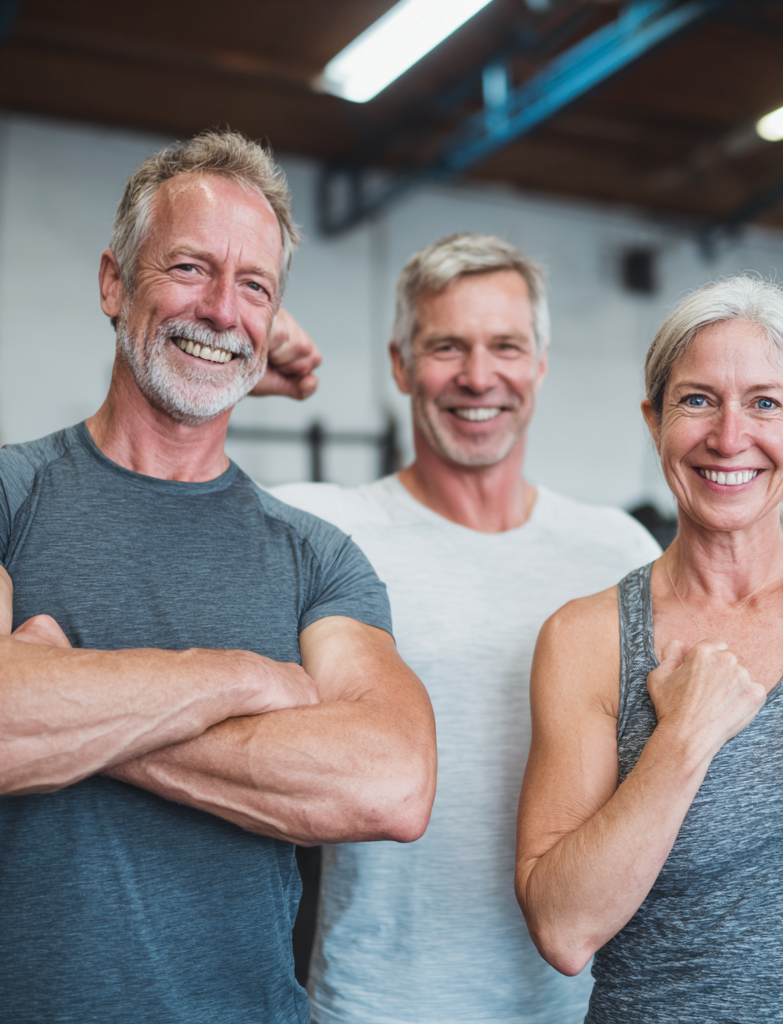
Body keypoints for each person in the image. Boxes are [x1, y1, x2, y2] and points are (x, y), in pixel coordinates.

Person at [0, 129, 435, 1024]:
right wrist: (247, 679)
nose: (224, 310)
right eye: (191, 268)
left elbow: (389, 780)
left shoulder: (315, 555)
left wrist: (52, 702)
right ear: (115, 282)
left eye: (255, 287)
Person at [515, 275, 783, 1023]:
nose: (729, 436)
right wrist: (682, 739)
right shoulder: (589, 638)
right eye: (697, 399)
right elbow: (563, 927)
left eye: (766, 403)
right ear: (654, 422)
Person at [271, 233, 661, 1024]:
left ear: (540, 365)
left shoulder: (618, 549)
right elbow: (158, 513)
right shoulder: (323, 529)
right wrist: (233, 362)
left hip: (583, 1002)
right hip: (380, 1004)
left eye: (505, 346)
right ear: (400, 363)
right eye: (447, 346)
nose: (478, 377)